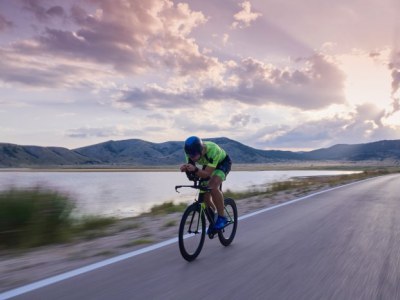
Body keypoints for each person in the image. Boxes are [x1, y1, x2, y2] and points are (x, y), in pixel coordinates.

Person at [180, 136, 232, 231]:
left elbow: (207, 175)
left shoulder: (213, 149)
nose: (192, 158)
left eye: (194, 155)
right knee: (204, 196)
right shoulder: (190, 152)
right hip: (208, 165)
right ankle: (213, 218)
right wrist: (186, 170)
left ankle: (221, 217)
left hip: (222, 163)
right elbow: (193, 175)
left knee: (212, 187)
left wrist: (195, 169)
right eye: (190, 156)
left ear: (201, 150)